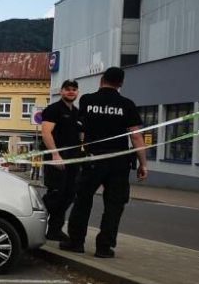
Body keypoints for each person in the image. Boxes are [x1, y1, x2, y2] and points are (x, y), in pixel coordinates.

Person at [61, 67, 147, 258]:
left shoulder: (87, 100)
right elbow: (136, 137)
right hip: (119, 161)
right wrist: (143, 164)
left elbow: (81, 128)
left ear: (102, 79)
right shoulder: (127, 104)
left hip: (93, 159)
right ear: (121, 84)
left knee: (83, 199)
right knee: (114, 205)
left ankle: (76, 242)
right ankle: (104, 246)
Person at [40, 80, 82, 240]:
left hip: (73, 160)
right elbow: (46, 133)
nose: (71, 92)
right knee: (55, 195)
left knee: (69, 195)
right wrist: (55, 155)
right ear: (61, 91)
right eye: (68, 89)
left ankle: (54, 230)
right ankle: (35, 219)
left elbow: (80, 135)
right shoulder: (53, 110)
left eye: (74, 89)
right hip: (56, 159)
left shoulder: (77, 112)